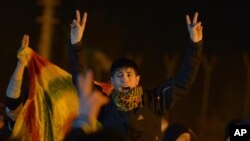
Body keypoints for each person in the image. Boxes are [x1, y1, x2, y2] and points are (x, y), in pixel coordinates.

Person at [69, 10, 203, 141]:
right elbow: (81, 81)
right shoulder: (105, 107)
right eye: (119, 75)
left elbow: (183, 81)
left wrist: (195, 45)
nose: (125, 79)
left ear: (137, 80)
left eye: (129, 75)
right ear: (112, 81)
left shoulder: (154, 102)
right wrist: (76, 43)